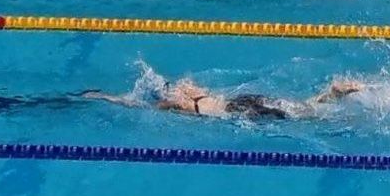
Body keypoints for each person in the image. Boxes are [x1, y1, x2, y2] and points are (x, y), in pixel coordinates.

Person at [85, 75, 364, 120]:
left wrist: (106, 97)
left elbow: (140, 104)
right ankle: (330, 94)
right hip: (242, 99)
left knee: (298, 117)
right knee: (295, 108)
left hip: (235, 110)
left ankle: (331, 95)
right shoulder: (189, 86)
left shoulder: (179, 102)